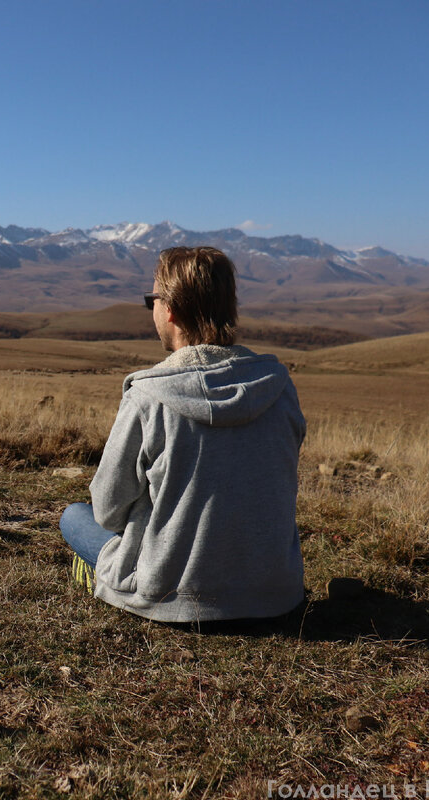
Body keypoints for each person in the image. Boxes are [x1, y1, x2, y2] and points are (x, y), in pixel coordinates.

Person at [61, 246, 306, 623]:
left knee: (74, 517)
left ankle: (102, 577)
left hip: (170, 596)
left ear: (171, 309)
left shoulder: (148, 396)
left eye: (152, 300)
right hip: (277, 597)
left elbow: (108, 510)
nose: (152, 310)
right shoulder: (280, 388)